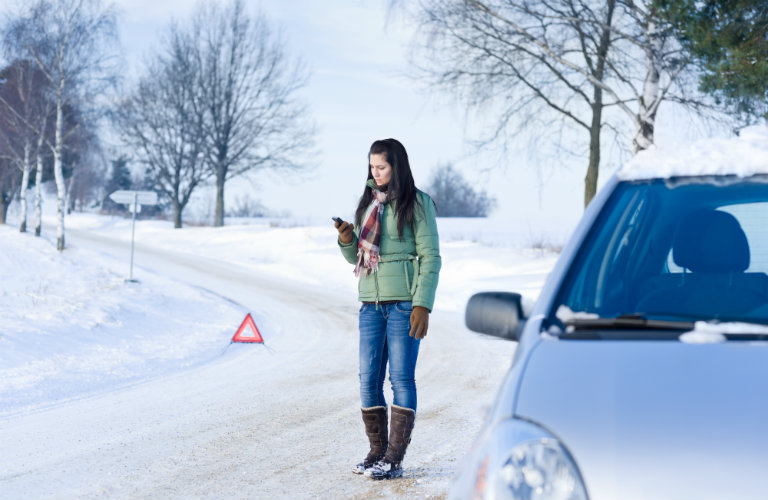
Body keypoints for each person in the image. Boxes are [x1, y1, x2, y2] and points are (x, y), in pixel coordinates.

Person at [334, 138, 441, 480]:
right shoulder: (369, 202)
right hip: (370, 304)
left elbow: (431, 257)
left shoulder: (418, 203)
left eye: (381, 167)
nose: (375, 173)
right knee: (368, 380)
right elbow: (358, 256)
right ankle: (376, 452)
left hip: (403, 303)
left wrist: (422, 304)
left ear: (397, 166)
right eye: (372, 167)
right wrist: (347, 240)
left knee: (401, 378)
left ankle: (394, 457)